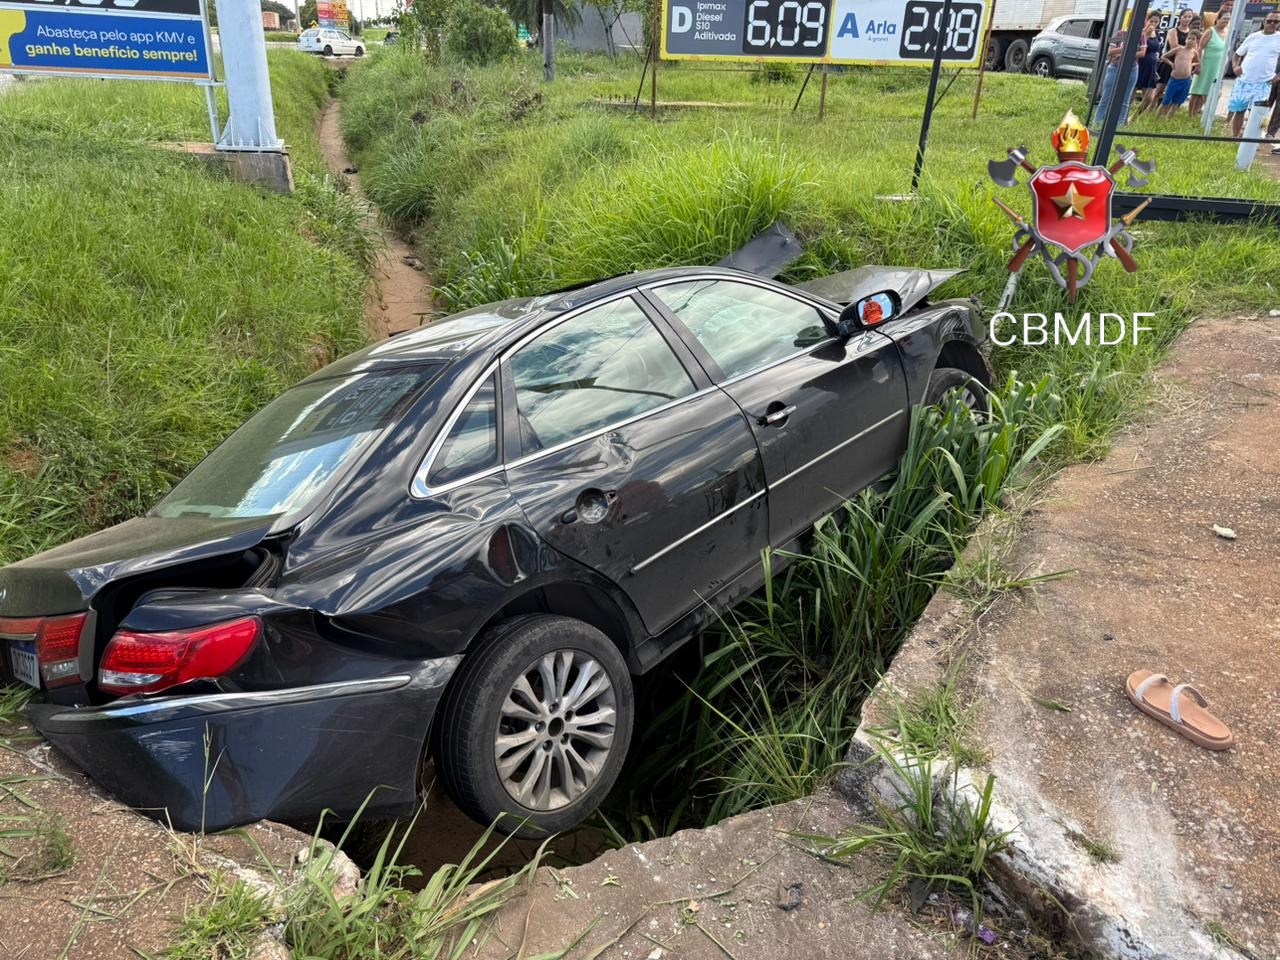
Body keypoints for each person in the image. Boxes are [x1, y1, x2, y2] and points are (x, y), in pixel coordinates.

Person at [1228, 12, 1280, 137]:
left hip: (1264, 84)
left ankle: (1249, 141)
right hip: (1244, 80)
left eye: (1276, 21)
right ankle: (1235, 137)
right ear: (1264, 22)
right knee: (1239, 110)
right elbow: (1237, 54)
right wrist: (1235, 66)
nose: (1272, 24)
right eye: (1269, 21)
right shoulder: (1253, 37)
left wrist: (1278, 77)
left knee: (1256, 114)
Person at [1094, 19, 1144, 128]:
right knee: (1106, 96)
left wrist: (1126, 53)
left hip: (1132, 68)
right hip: (1115, 67)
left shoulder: (1141, 35)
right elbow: (1110, 52)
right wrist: (1123, 49)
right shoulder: (1119, 33)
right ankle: (1097, 122)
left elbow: (1142, 53)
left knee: (1126, 98)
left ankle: (1119, 125)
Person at [1189, 0, 1232, 119]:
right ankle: (1190, 114)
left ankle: (1198, 112)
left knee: (1209, 90)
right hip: (1205, 63)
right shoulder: (1210, 31)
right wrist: (1199, 64)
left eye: (1228, 20)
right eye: (1224, 19)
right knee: (1198, 89)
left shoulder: (1227, 32)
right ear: (1217, 19)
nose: (1225, 21)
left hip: (1217, 65)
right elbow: (1200, 48)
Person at [1160, 27, 1202, 116]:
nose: (1190, 41)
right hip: (1174, 78)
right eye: (1189, 38)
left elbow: (1198, 62)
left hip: (1185, 80)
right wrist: (1171, 64)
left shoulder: (1194, 52)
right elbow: (1164, 57)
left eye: (1193, 39)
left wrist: (1192, 66)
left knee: (1177, 101)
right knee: (1166, 100)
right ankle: (1159, 117)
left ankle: (1168, 119)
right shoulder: (1179, 49)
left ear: (1196, 42)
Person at [1134, 12, 1167, 113]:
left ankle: (1134, 118)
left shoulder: (1155, 33)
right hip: (1140, 65)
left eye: (1156, 21)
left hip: (1151, 67)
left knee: (1149, 98)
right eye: (1151, 21)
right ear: (1146, 21)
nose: (1153, 23)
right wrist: (1146, 35)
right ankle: (1123, 118)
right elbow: (1137, 47)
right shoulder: (1142, 32)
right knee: (1131, 94)